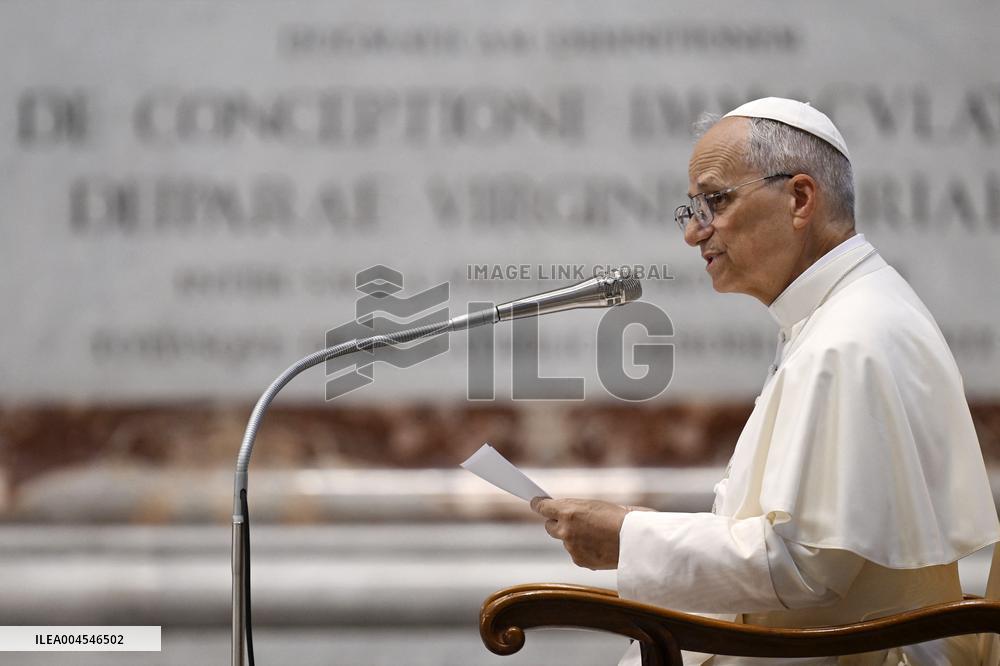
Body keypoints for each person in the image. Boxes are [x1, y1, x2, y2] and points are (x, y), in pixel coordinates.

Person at [530, 97, 1000, 665]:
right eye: (692, 209)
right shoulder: (837, 315)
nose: (694, 233)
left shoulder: (850, 339)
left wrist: (627, 537)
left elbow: (805, 568)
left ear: (800, 199)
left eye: (715, 201)